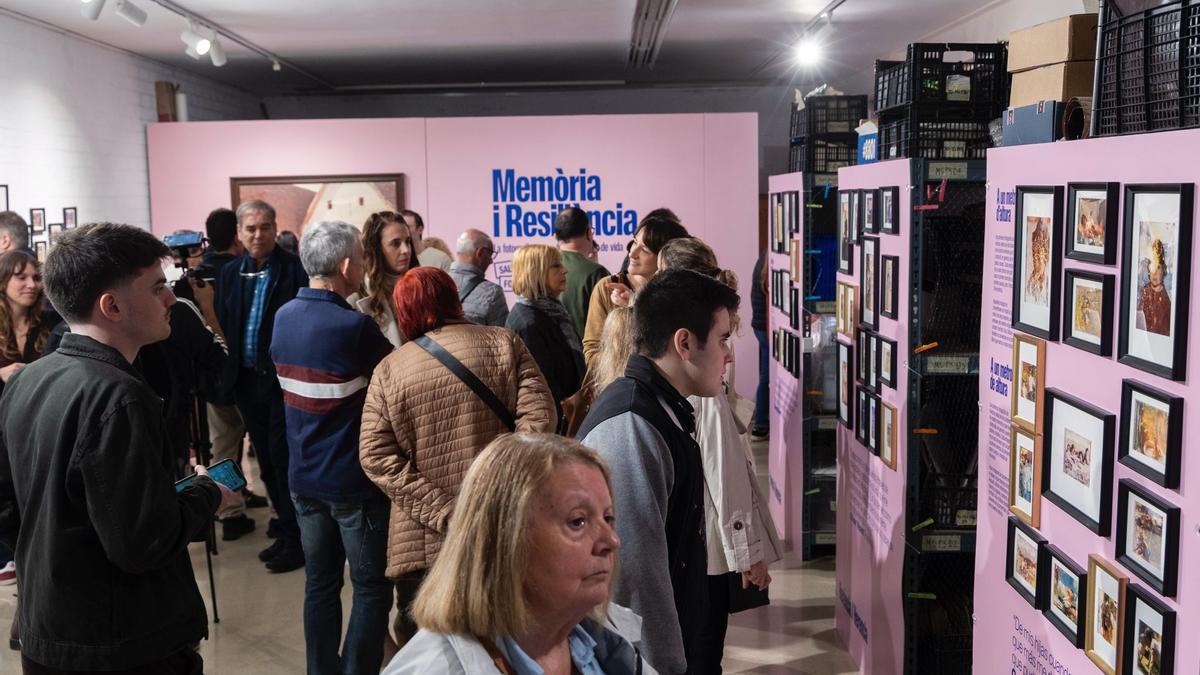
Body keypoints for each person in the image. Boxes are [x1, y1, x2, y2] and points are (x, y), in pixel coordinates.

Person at [0, 223, 239, 673]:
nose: (171, 299)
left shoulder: (27, 379)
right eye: (156, 289)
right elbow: (143, 542)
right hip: (122, 643)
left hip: (47, 628)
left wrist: (56, 557)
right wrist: (207, 493)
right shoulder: (120, 397)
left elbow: (7, 505)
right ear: (111, 306)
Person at [360, 267, 556, 651]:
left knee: (431, 650)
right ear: (454, 299)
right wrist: (493, 495)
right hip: (502, 527)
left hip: (424, 543)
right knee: (505, 644)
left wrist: (446, 512)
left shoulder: (389, 369)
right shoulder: (505, 343)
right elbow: (540, 421)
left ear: (405, 312)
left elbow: (375, 456)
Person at [577, 269, 739, 675]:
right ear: (684, 342)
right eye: (722, 340)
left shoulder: (660, 410)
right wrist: (664, 664)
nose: (729, 354)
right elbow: (635, 579)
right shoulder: (632, 424)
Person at [383, 432, 654, 675]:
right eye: (577, 522)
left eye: (608, 518)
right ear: (505, 541)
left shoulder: (609, 643)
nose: (611, 540)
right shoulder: (432, 668)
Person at [271, 221, 395, 675]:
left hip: (302, 478)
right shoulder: (354, 327)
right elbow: (395, 377)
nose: (363, 266)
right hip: (352, 484)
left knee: (319, 585)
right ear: (346, 266)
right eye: (362, 259)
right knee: (370, 588)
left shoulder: (283, 316)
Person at [655, 239, 780, 674]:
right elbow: (724, 468)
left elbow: (724, 469)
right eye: (724, 339)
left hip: (704, 550)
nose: (729, 352)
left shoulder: (692, 378)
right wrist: (748, 554)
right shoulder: (697, 378)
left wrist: (747, 555)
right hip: (704, 551)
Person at [215, 199, 309, 572]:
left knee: (282, 459)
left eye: (264, 227)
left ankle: (296, 538)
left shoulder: (293, 270)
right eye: (250, 228)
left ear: (275, 229)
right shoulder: (230, 273)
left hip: (281, 383)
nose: (257, 234)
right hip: (245, 381)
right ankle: (285, 531)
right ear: (239, 233)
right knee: (266, 465)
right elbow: (225, 320)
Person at [202, 207, 262, 538]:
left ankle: (233, 500)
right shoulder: (241, 272)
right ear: (236, 234)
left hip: (212, 375)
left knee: (224, 442)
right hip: (238, 372)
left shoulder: (200, 274)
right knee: (236, 443)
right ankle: (231, 510)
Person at [0, 251, 53, 587]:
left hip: (37, 425)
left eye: (36, 277)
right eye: (21, 277)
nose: (31, 284)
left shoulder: (49, 323)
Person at [582, 216, 688, 368]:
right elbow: (592, 351)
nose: (632, 253)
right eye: (635, 242)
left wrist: (635, 306)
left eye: (644, 249)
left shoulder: (675, 294)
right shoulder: (608, 287)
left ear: (664, 257)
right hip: (616, 386)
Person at [505, 245, 586, 431]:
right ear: (536, 272)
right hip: (553, 428)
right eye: (556, 266)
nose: (564, 270)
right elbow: (543, 388)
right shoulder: (529, 323)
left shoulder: (552, 312)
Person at [353, 211, 415, 347]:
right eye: (395, 243)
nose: (406, 250)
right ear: (376, 249)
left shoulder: (419, 287)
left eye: (408, 242)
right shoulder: (357, 298)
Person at [553, 207, 609, 336]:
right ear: (589, 233)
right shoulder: (596, 273)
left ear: (556, 237)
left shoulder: (542, 269)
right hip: (587, 354)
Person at [449, 228, 508, 327]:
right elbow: (502, 338)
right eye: (490, 254)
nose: (491, 261)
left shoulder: (434, 284)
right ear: (480, 253)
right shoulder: (492, 292)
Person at [750, 251, 769, 440]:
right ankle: (761, 424)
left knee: (766, 375)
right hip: (766, 327)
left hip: (760, 325)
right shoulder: (770, 260)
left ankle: (762, 423)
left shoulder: (764, 259)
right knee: (767, 376)